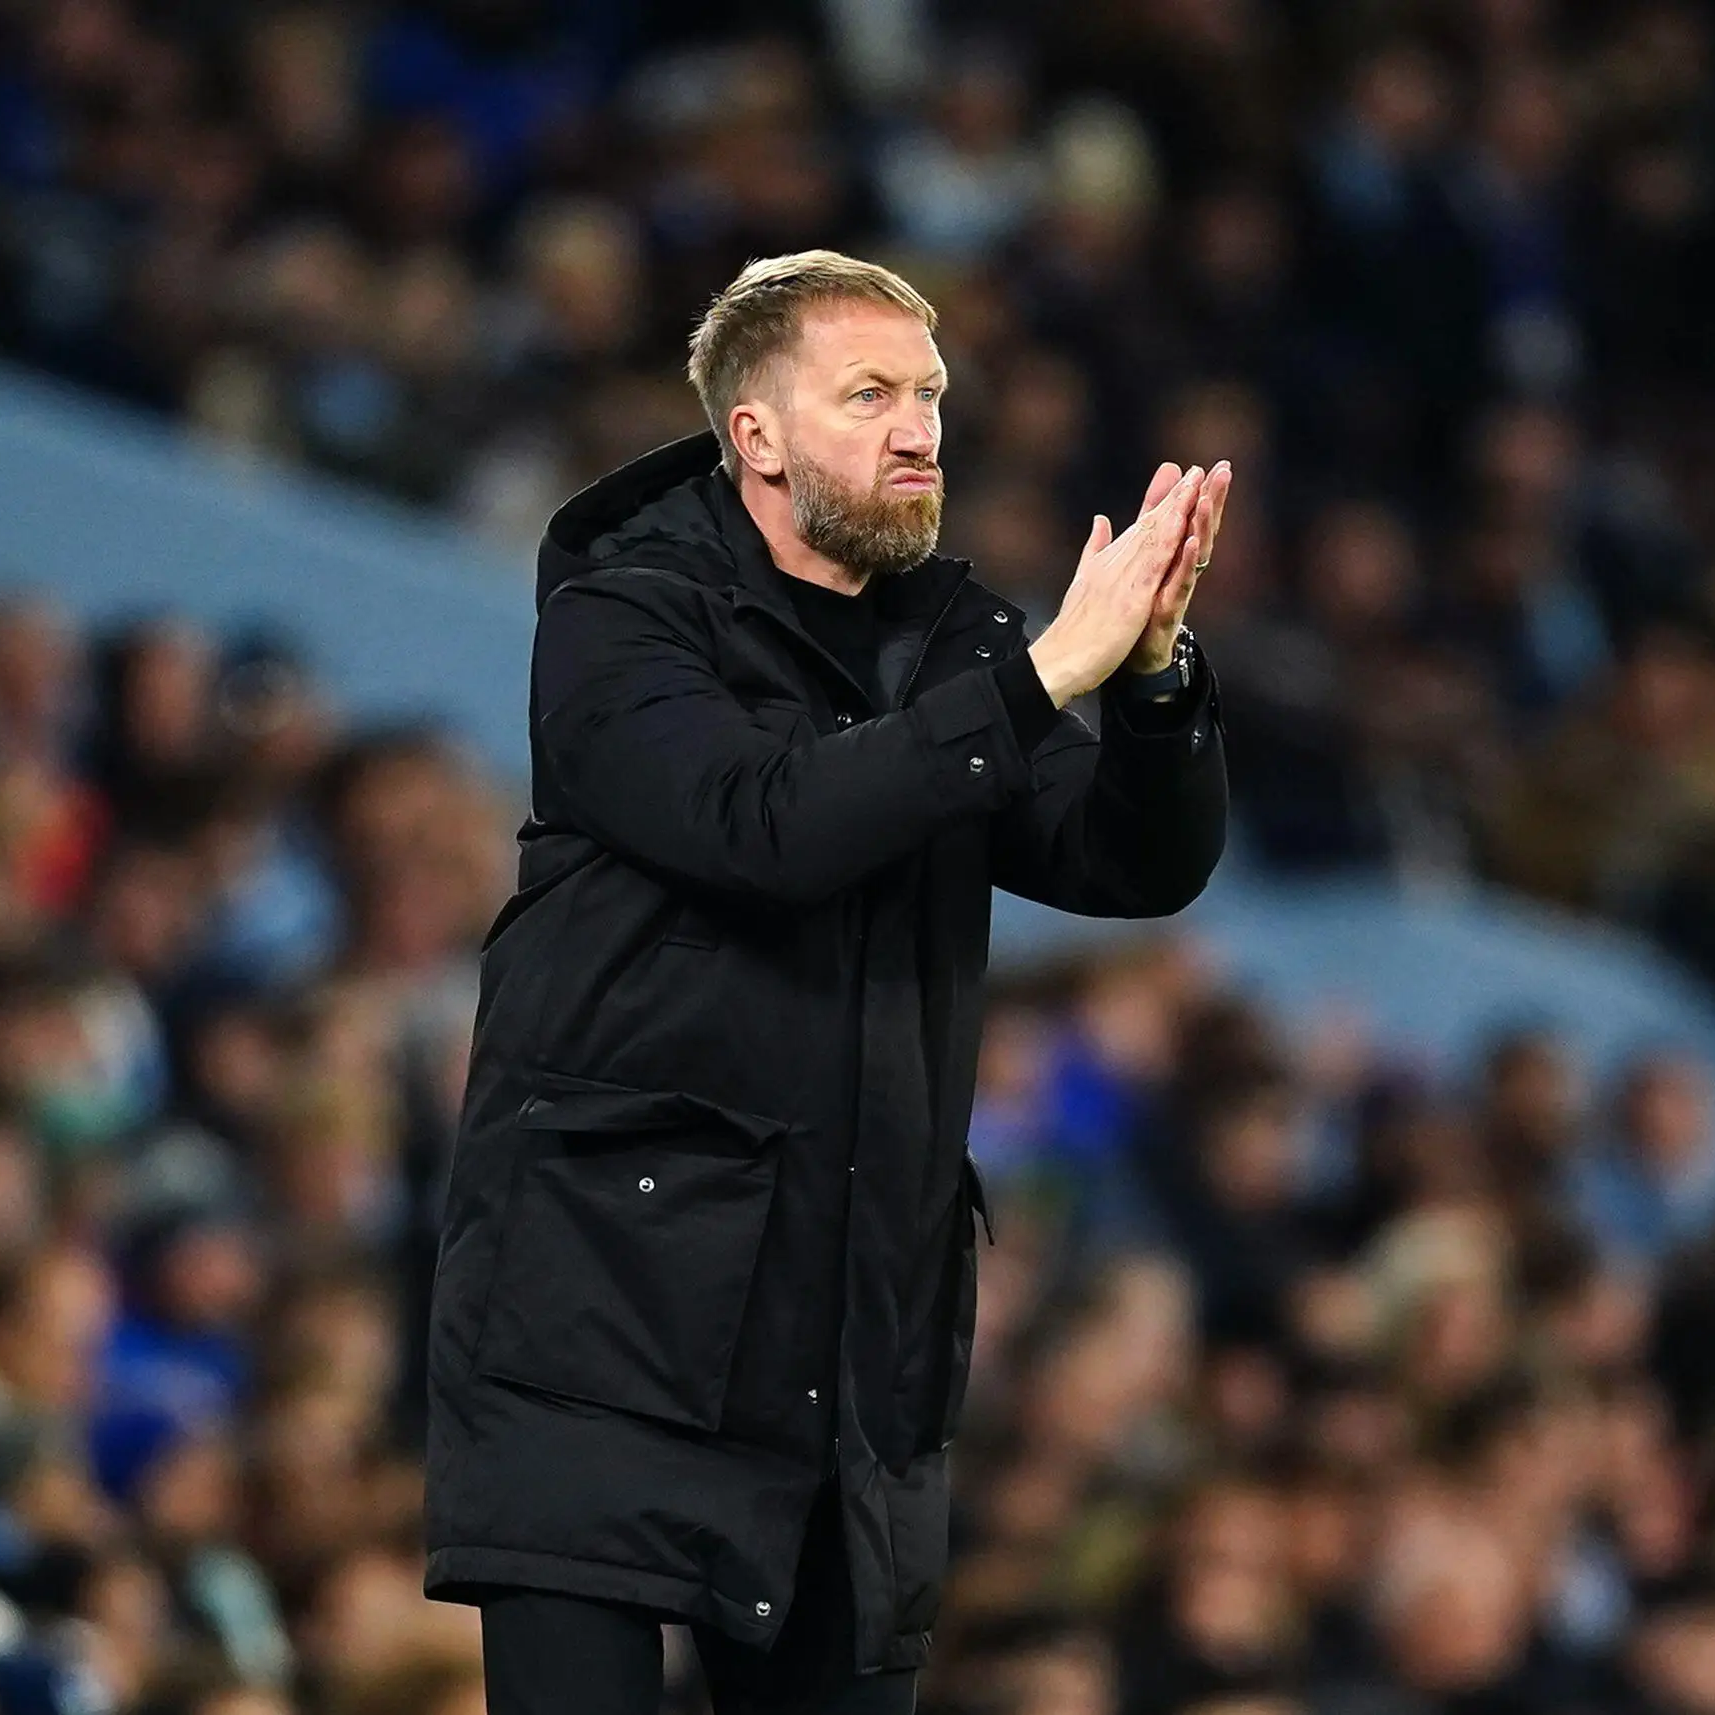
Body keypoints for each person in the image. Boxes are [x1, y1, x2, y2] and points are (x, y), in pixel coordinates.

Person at [422, 250, 1234, 1715]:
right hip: (607, 1329)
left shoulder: (957, 644)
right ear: (757, 436)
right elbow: (766, 823)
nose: (922, 425)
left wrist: (1157, 672)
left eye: (928, 392)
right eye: (869, 394)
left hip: (850, 1362)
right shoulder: (625, 617)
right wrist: (1044, 678)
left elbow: (1128, 864)